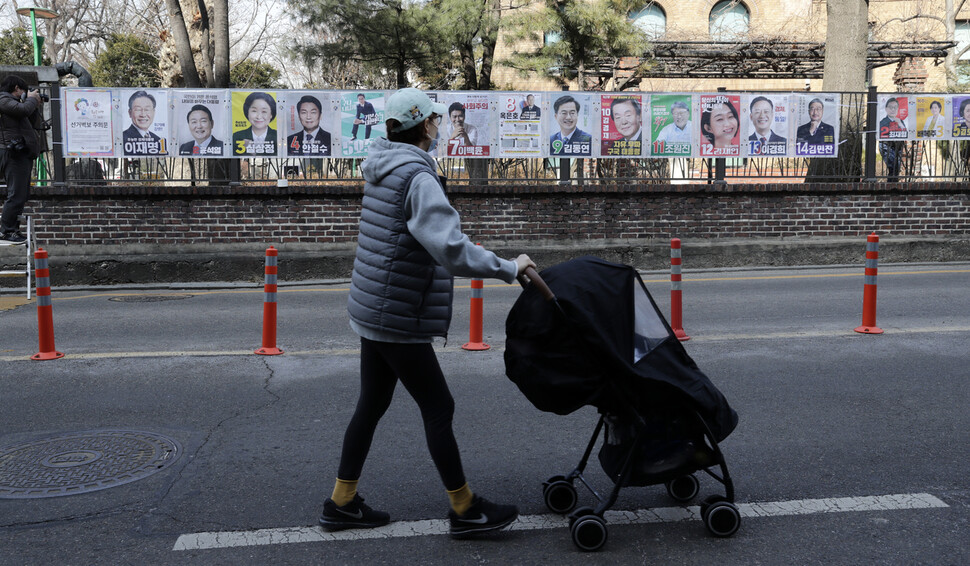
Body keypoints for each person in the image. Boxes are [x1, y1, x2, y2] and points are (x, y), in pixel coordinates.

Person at [320, 87, 534, 539]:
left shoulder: (383, 164)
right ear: (424, 126)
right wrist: (509, 267)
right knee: (439, 406)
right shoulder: (417, 176)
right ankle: (466, 509)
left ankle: (341, 502)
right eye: (434, 120)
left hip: (374, 305)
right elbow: (452, 250)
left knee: (372, 404)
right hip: (398, 313)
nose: (438, 125)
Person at [0, 75, 42, 244]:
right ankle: (7, 231)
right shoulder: (3, 99)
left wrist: (35, 104)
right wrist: (31, 99)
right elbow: (22, 110)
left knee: (21, 194)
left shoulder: (17, 104)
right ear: (17, 88)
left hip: (22, 153)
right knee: (16, 194)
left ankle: (13, 229)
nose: (25, 95)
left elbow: (31, 120)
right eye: (23, 91)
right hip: (12, 154)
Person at [232, 91, 277, 156]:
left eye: (264, 111)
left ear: (271, 114)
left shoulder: (277, 136)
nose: (259, 117)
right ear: (247, 113)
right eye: (254, 111)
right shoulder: (237, 136)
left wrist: (254, 151)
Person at [123, 91, 166, 156]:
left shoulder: (158, 140)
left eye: (147, 109)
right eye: (138, 109)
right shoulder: (123, 138)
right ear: (130, 113)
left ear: (153, 112)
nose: (143, 114)